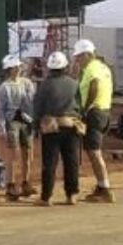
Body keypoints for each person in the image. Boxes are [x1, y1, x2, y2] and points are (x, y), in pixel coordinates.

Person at [31, 51, 82, 205]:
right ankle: (72, 194)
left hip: (51, 127)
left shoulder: (45, 85)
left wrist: (35, 126)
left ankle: (46, 197)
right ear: (65, 66)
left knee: (50, 162)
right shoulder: (74, 84)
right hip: (71, 125)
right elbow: (80, 105)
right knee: (71, 161)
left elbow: (37, 107)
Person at [73, 38, 115, 203]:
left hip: (94, 112)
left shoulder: (92, 69)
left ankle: (105, 188)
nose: (77, 60)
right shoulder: (104, 67)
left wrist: (85, 109)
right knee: (93, 151)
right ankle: (101, 186)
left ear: (88, 54)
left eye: (79, 57)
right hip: (103, 110)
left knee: (94, 152)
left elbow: (95, 85)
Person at [0, 54, 36, 201]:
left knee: (28, 152)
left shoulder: (27, 84)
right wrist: (0, 125)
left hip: (26, 121)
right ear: (8, 70)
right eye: (14, 68)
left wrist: (34, 119)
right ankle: (10, 184)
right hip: (12, 121)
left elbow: (32, 102)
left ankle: (26, 182)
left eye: (18, 67)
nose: (17, 69)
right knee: (13, 153)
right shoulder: (4, 88)